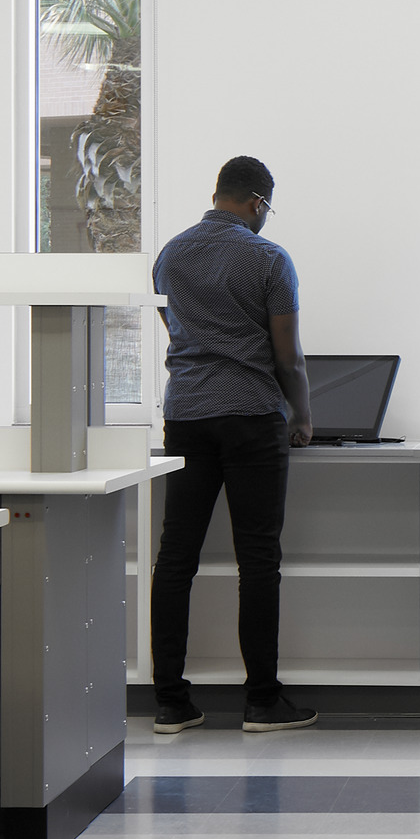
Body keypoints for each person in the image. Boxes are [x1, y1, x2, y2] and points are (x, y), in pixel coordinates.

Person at [148, 154, 317, 736]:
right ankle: (262, 702)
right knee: (258, 559)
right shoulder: (269, 258)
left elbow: (178, 333)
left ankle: (171, 703)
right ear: (258, 202)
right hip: (250, 415)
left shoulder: (170, 255)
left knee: (176, 558)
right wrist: (303, 415)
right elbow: (288, 356)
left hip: (187, 413)